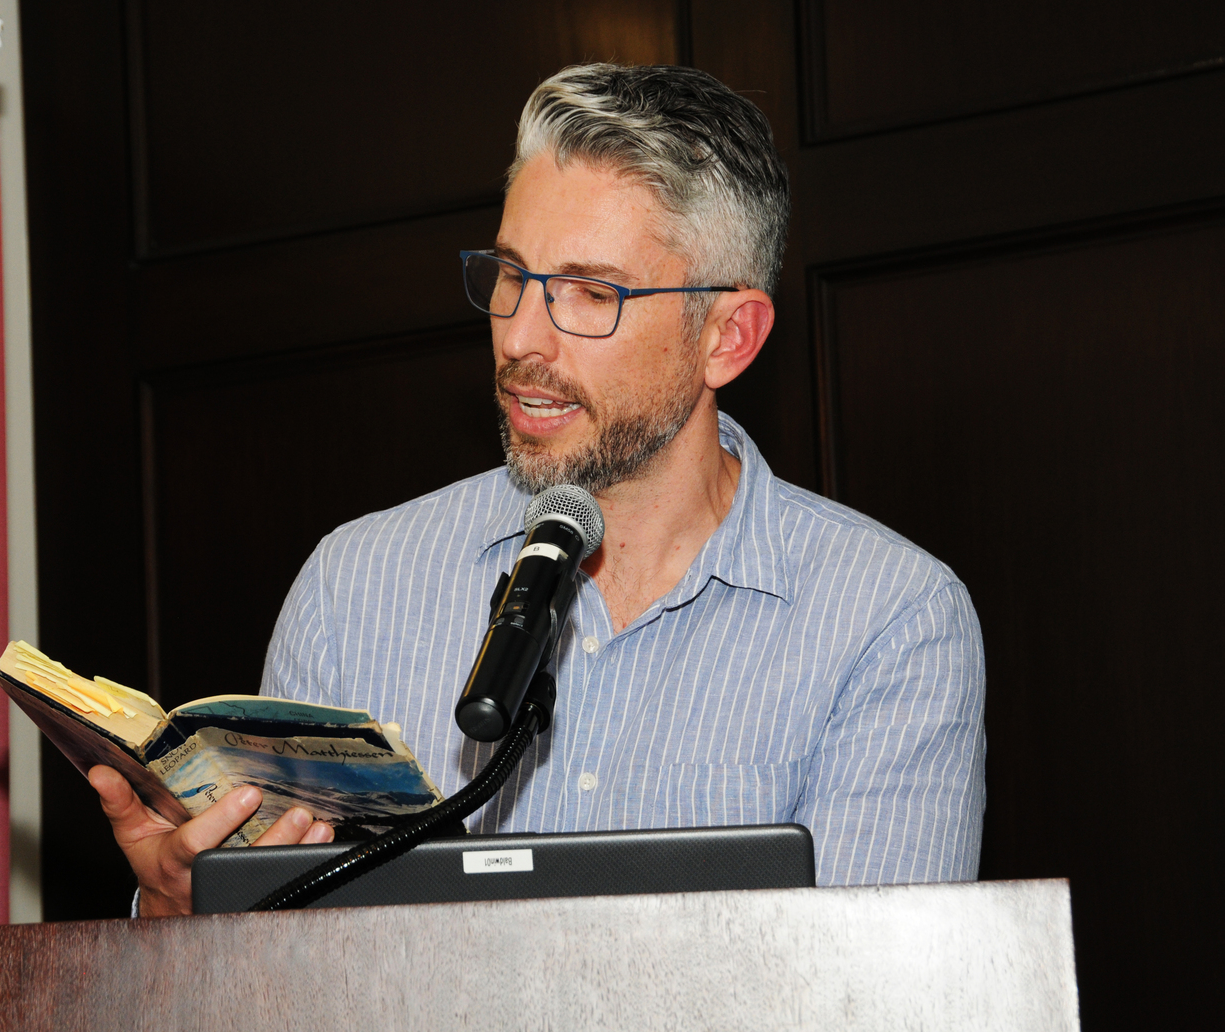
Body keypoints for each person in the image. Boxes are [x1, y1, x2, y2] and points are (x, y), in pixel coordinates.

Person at [91, 63, 986, 917]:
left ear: (729, 338)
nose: (521, 339)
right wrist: (182, 913)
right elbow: (263, 987)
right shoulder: (351, 589)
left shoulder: (889, 622)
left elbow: (877, 997)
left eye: (591, 294)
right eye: (513, 276)